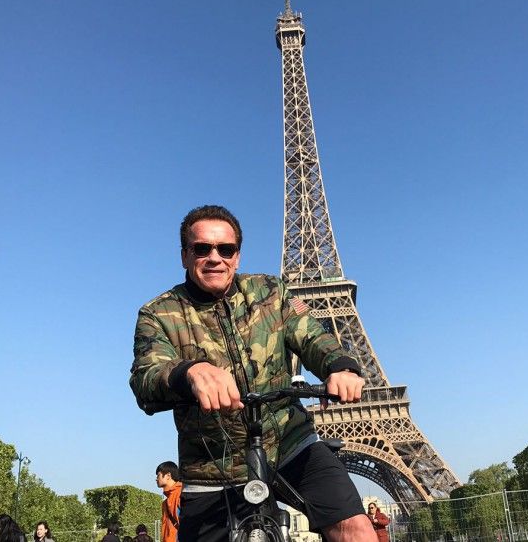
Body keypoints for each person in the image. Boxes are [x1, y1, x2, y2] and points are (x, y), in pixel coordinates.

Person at [130, 205, 374, 542]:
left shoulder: (271, 293)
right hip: (213, 464)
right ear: (185, 255)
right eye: (202, 248)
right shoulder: (158, 314)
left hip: (288, 441)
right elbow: (146, 375)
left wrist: (341, 367)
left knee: (354, 528)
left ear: (237, 256)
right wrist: (188, 372)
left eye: (225, 249)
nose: (214, 257)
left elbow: (312, 336)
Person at [156, 461, 182, 542]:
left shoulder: (180, 494)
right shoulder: (166, 502)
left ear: (168, 476)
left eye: (158, 475)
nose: (156, 479)